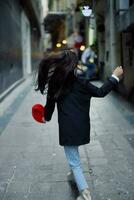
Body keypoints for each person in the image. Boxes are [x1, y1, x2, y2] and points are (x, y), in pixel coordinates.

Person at [35, 49, 123, 200]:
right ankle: (72, 175)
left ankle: (85, 193)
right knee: (73, 157)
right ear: (73, 66)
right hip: (82, 128)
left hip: (67, 129)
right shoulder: (82, 83)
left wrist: (45, 118)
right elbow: (101, 92)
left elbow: (49, 108)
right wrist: (114, 77)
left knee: (74, 161)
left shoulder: (56, 85)